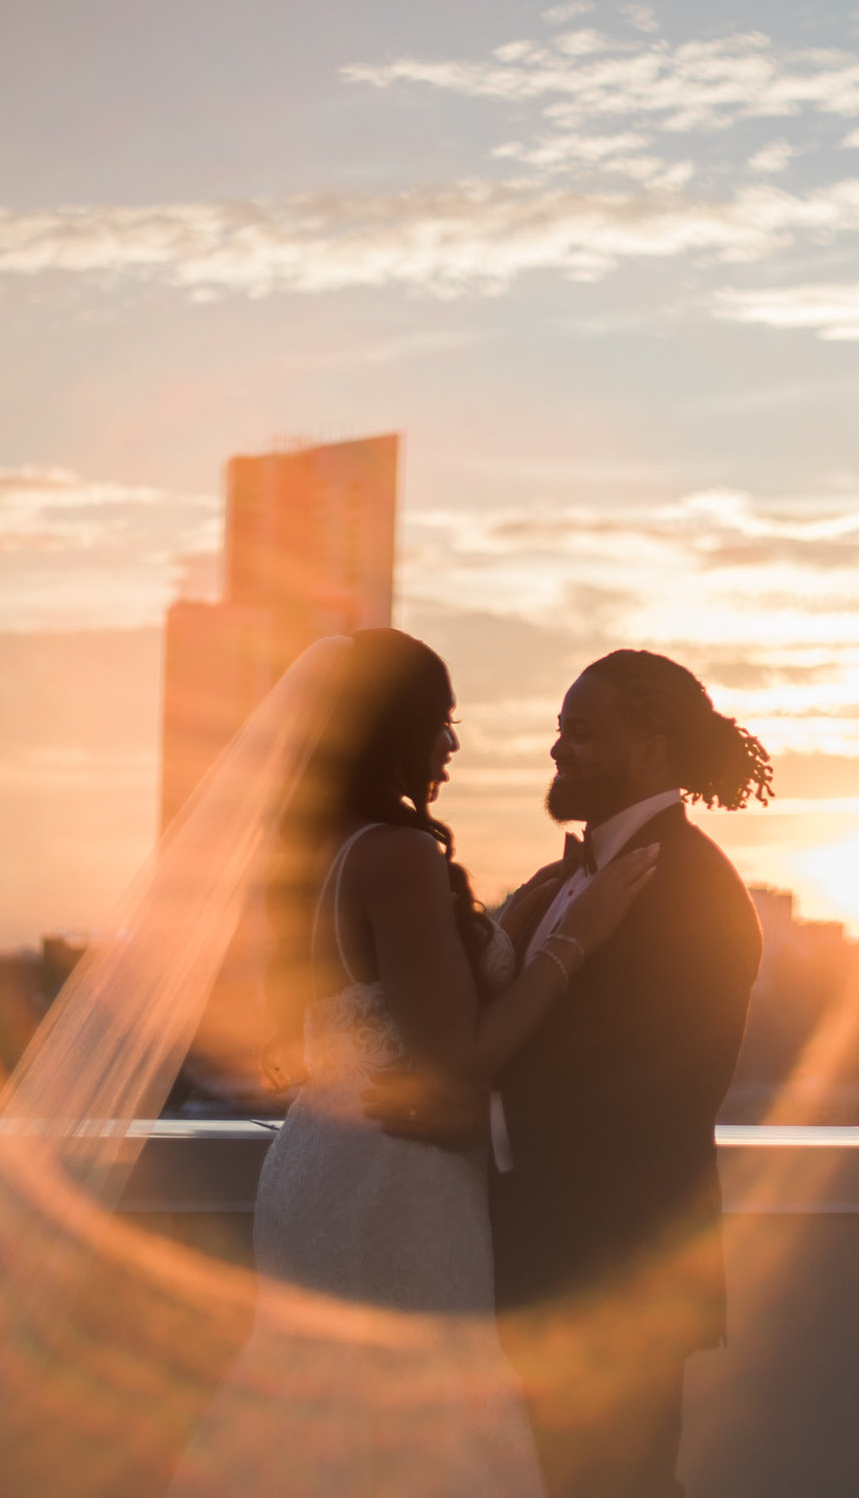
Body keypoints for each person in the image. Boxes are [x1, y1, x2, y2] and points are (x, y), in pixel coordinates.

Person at [170, 630, 660, 1498]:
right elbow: (458, 1060)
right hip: (394, 1179)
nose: (453, 744)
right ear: (392, 727)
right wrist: (571, 947)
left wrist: (517, 918)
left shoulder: (319, 848)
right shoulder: (397, 857)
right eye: (442, 720)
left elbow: (396, 995)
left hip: (318, 1165)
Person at [369, 650, 771, 1498]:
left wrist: (486, 1123)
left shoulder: (695, 889)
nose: (558, 750)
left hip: (616, 1276)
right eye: (559, 730)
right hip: (531, 1267)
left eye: (582, 733)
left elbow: (666, 1086)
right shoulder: (568, 879)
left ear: (655, 749)